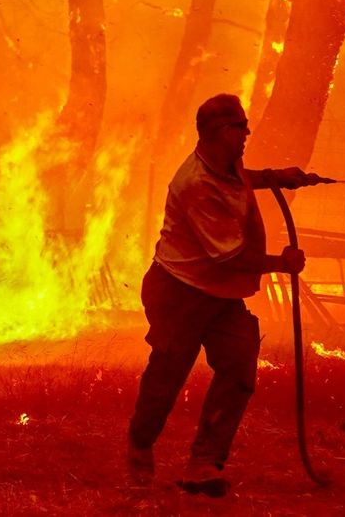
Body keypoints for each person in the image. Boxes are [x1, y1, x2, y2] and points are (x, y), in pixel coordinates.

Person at [128, 93, 323, 497]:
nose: (247, 132)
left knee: (238, 368)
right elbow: (231, 258)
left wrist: (275, 177)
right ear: (218, 133)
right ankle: (140, 444)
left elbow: (238, 178)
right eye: (240, 127)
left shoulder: (223, 161)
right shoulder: (196, 184)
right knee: (168, 375)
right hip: (179, 293)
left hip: (219, 295)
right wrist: (281, 262)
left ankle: (203, 464)